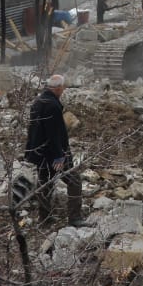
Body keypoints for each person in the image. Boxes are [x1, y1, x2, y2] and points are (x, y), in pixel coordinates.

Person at [24, 74, 81, 226]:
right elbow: (54, 135)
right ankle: (75, 218)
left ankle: (45, 218)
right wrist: (59, 157)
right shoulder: (52, 106)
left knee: (45, 182)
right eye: (62, 87)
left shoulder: (38, 102)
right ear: (57, 88)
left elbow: (33, 130)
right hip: (54, 156)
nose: (63, 90)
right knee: (74, 181)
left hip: (40, 154)